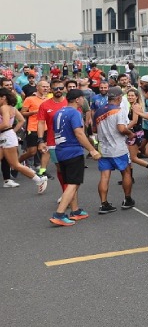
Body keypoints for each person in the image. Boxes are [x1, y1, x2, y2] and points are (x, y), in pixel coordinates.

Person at [47, 89, 100, 226]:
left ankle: (75, 211)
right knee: (73, 183)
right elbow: (79, 133)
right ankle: (59, 214)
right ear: (77, 100)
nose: (83, 101)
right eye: (82, 98)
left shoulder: (59, 112)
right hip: (72, 151)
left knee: (71, 181)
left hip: (61, 150)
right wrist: (92, 150)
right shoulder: (75, 113)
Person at [94, 87, 135, 213]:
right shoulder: (119, 110)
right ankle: (127, 199)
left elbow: (94, 130)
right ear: (118, 98)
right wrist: (130, 134)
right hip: (118, 148)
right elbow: (122, 128)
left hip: (104, 148)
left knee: (105, 176)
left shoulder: (99, 111)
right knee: (126, 172)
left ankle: (103, 203)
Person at [0, 89, 48, 193]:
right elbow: (21, 120)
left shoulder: (4, 107)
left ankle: (39, 180)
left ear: (3, 98)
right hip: (7, 136)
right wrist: (13, 131)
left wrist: (10, 131)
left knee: (15, 164)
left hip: (6, 137)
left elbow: (6, 124)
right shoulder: (12, 108)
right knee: (14, 163)